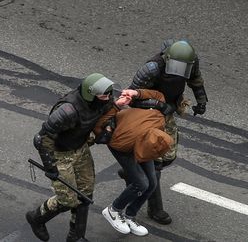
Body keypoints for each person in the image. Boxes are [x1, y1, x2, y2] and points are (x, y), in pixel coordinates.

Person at [121, 39, 208, 224]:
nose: (179, 70)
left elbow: (196, 80)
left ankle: (133, 170)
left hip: (168, 108)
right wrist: (159, 105)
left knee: (168, 154)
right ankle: (155, 209)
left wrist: (201, 101)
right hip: (148, 113)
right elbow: (132, 96)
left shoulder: (191, 62)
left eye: (183, 67)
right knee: (156, 160)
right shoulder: (152, 68)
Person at [25, 73, 118, 242]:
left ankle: (76, 236)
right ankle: (37, 217)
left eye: (110, 94)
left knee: (85, 194)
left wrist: (108, 128)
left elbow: (111, 111)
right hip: (59, 154)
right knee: (67, 200)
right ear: (91, 94)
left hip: (80, 148)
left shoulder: (103, 101)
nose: (109, 98)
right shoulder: (68, 111)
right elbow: (42, 138)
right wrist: (50, 166)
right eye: (104, 95)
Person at [94, 89, 173, 236]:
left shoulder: (157, 123)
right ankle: (113, 210)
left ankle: (129, 216)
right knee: (141, 183)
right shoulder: (122, 141)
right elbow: (99, 125)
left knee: (152, 183)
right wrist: (117, 106)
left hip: (143, 140)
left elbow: (157, 95)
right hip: (122, 147)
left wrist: (136, 93)